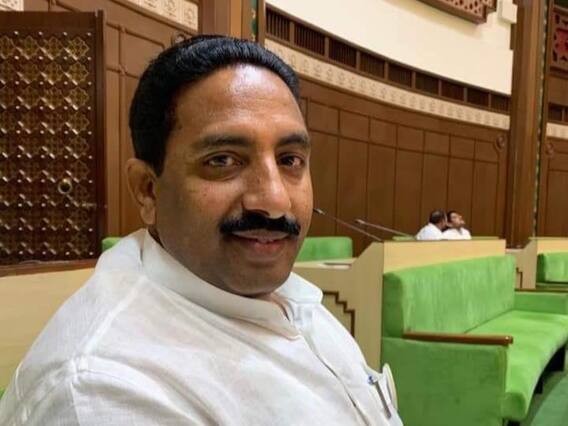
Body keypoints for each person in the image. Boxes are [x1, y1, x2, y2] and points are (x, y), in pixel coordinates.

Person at [0, 36, 401, 426]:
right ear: (148, 190)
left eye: (289, 160)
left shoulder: (290, 297)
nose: (275, 200)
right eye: (223, 160)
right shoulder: (108, 389)